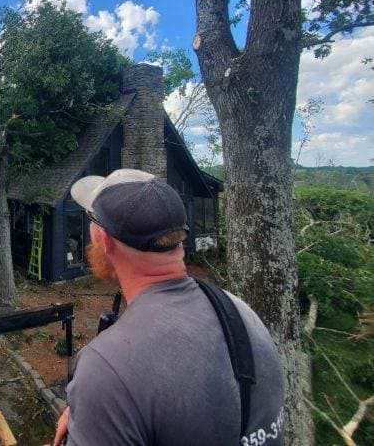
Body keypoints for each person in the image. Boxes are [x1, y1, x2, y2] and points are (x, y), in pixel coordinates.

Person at [52, 169, 285, 446]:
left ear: (103, 240)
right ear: (178, 240)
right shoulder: (241, 313)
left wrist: (100, 400)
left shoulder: (106, 368)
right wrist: (97, 416)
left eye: (90, 219)